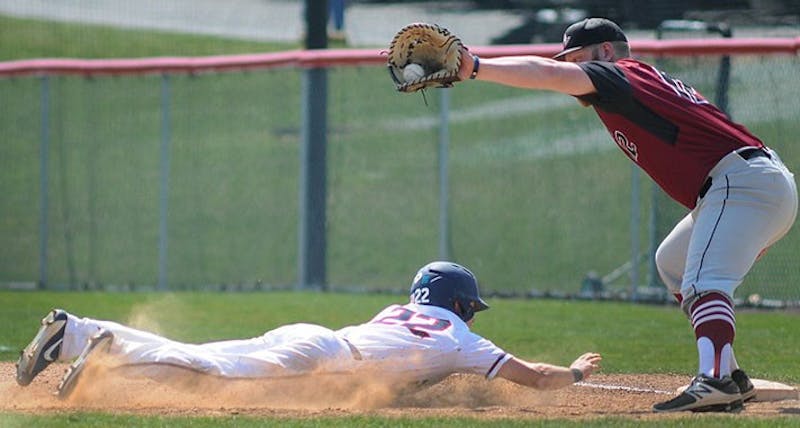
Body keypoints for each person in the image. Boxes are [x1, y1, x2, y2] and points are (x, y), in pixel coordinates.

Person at [456, 17, 798, 413]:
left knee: (705, 281)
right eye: (570, 60)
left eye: (580, 59)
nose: (574, 68)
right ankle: (732, 376)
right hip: (748, 184)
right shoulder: (631, 84)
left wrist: (476, 66)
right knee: (673, 263)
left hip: (741, 182)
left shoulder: (619, 74)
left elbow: (547, 72)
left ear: (605, 52)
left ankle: (716, 378)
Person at [16, 261, 602, 401]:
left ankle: (75, 331)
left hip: (314, 335)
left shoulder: (401, 314)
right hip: (325, 353)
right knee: (211, 375)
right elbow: (533, 376)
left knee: (196, 355)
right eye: (471, 307)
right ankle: (99, 366)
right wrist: (575, 371)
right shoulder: (461, 339)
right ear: (460, 305)